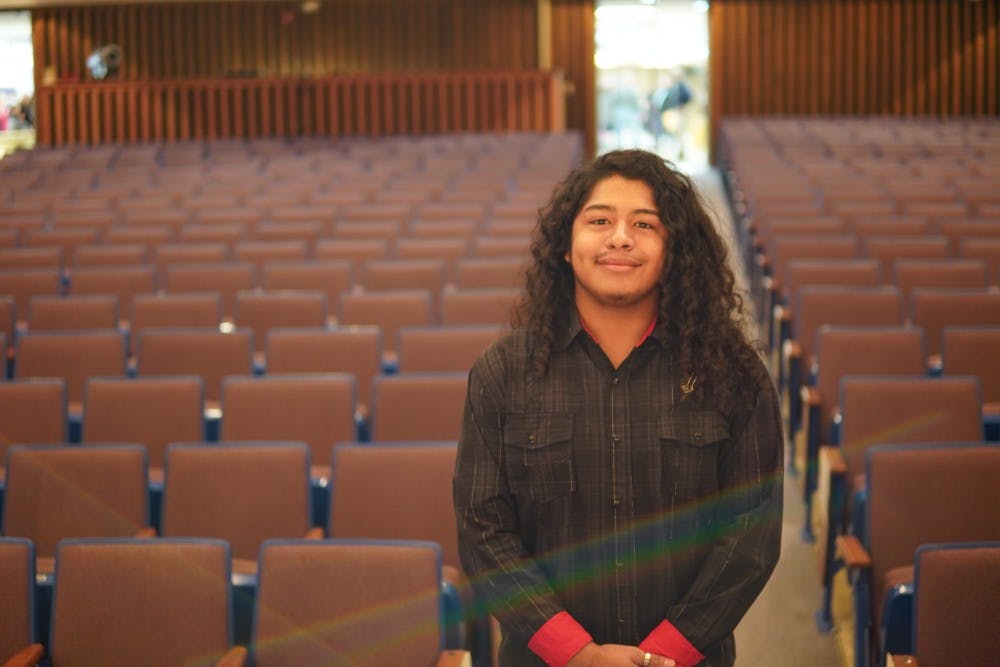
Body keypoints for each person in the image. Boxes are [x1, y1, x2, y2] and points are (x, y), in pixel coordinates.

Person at [453, 149, 783, 667]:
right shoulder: (504, 372)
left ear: (674, 248)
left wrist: (664, 653)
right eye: (600, 220)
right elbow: (483, 531)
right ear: (566, 245)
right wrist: (575, 652)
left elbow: (751, 534)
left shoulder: (732, 373)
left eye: (645, 224)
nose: (620, 238)